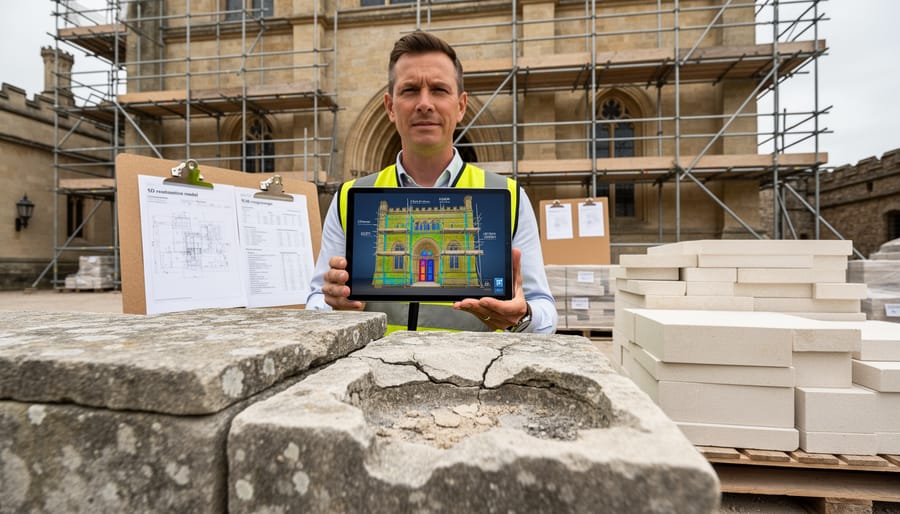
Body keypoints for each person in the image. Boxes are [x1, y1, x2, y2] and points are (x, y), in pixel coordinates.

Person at [306, 31, 557, 334]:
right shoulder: (351, 197)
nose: (424, 103)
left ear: (461, 106)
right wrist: (332, 305)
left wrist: (523, 316)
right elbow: (316, 302)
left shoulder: (509, 196)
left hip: (475, 366)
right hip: (376, 365)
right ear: (390, 106)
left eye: (439, 89)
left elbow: (544, 315)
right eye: (410, 90)